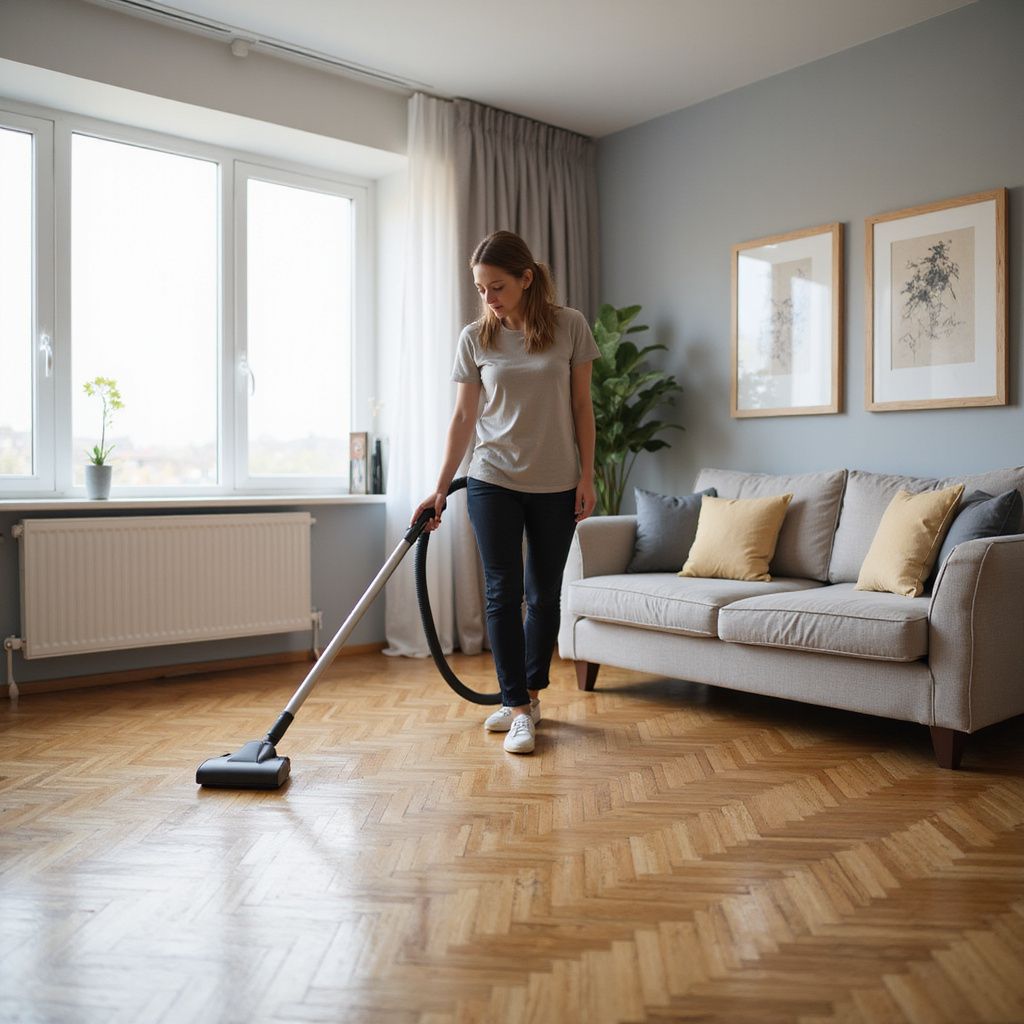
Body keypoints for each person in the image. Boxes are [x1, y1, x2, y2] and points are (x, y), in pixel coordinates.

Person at [411, 230, 600, 754]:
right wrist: (439, 488)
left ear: (526, 278)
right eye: (480, 289)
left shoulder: (569, 326)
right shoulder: (476, 337)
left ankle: (531, 695)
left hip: (557, 480)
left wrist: (587, 477)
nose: (488, 298)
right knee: (501, 590)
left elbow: (583, 407)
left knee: (543, 594)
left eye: (497, 286)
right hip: (492, 478)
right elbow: (464, 417)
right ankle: (516, 707)